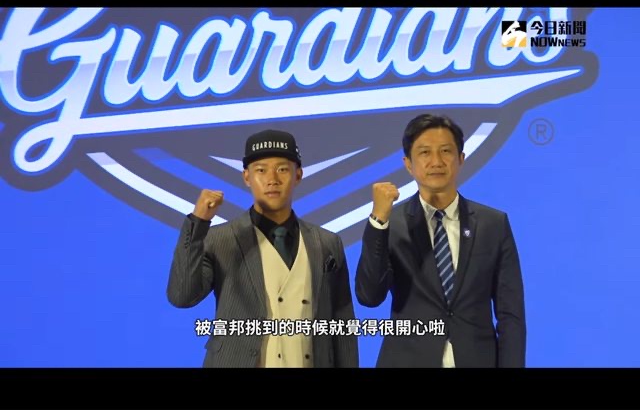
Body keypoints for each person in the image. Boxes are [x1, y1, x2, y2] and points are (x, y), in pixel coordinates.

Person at [167, 129, 358, 368]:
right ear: (246, 177)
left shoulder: (327, 242)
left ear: (298, 175)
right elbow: (182, 296)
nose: (272, 179)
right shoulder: (219, 239)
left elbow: (342, 324)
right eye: (261, 170)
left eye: (282, 169)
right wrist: (197, 223)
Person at [355, 113, 526, 368]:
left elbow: (510, 314)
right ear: (408, 164)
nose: (436, 161)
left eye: (445, 151)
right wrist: (378, 221)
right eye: (425, 152)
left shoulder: (493, 224)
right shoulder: (391, 224)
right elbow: (369, 297)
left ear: (461, 158)